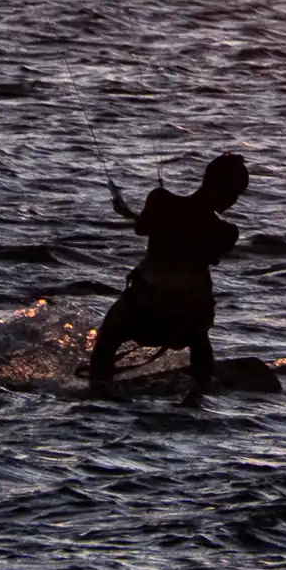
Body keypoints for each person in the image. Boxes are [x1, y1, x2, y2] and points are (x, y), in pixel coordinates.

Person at [88, 153, 250, 393]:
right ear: (225, 191)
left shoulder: (160, 201)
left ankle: (99, 384)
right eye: (234, 194)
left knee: (107, 338)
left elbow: (144, 228)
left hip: (142, 309)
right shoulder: (226, 232)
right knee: (200, 336)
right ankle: (201, 383)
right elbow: (200, 247)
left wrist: (128, 213)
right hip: (185, 319)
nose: (234, 202)